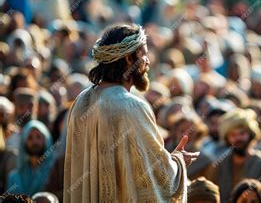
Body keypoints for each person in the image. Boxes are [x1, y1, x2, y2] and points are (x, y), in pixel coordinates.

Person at [64, 24, 199, 202]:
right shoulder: (131, 106)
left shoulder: (81, 101)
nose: (148, 61)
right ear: (129, 59)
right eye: (144, 54)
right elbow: (160, 178)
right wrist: (178, 161)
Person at [204, 108, 261, 202]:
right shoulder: (218, 166)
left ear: (251, 133)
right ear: (227, 139)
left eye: (242, 133)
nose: (238, 138)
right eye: (233, 135)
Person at [6, 120, 55, 196]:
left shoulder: (55, 172)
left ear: (46, 140)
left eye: (38, 137)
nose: (35, 142)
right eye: (30, 138)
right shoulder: (14, 177)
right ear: (24, 142)